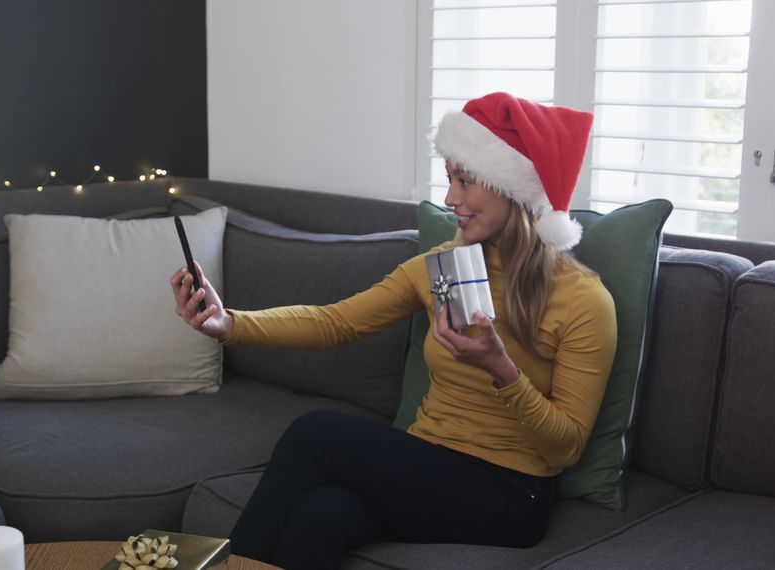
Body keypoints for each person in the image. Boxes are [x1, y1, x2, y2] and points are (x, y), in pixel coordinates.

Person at [170, 92, 618, 570]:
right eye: (450, 180)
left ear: (515, 191)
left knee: (316, 433)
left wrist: (501, 370)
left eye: (465, 181)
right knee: (320, 515)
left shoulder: (584, 301)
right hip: (427, 463)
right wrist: (229, 323)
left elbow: (566, 446)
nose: (450, 199)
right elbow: (336, 321)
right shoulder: (445, 267)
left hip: (510, 495)